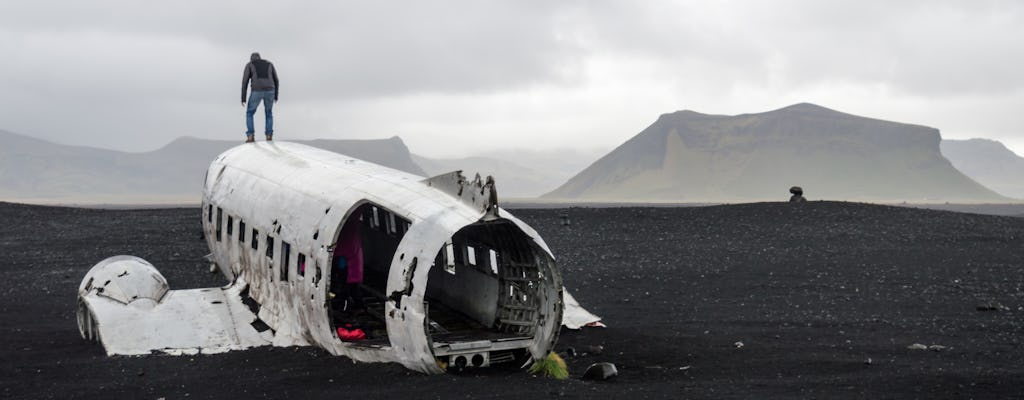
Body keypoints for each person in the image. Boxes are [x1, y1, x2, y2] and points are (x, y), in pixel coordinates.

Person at [241, 52, 279, 143]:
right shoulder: (269, 64)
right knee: (269, 113)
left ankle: (250, 136)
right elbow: (276, 80)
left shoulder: (250, 65)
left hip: (257, 91)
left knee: (250, 113)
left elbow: (245, 82)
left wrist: (243, 98)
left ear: (251, 59)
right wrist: (276, 95)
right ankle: (269, 135)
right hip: (270, 90)